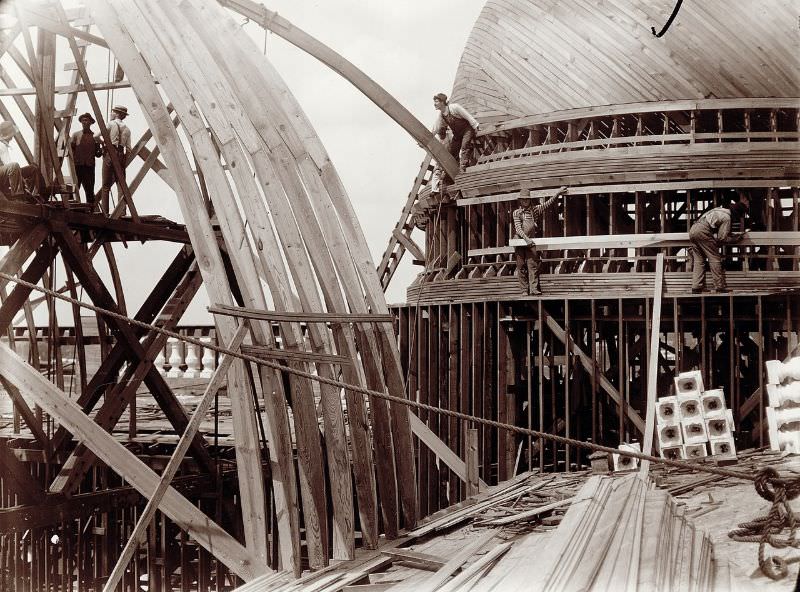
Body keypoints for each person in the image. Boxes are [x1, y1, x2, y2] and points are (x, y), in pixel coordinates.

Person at [513, 185, 568, 295]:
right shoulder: (517, 213)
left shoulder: (535, 210)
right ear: (520, 200)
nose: (525, 201)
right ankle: (524, 290)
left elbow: (548, 203)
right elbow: (518, 228)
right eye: (523, 199)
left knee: (532, 265)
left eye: (527, 199)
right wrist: (526, 239)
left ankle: (534, 289)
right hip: (520, 240)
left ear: (529, 200)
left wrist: (558, 192)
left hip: (531, 241)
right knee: (521, 266)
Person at [688, 195, 749, 293]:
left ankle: (696, 287)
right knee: (715, 258)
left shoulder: (719, 210)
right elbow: (722, 238)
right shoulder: (727, 218)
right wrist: (735, 239)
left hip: (693, 229)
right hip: (703, 231)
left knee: (699, 260)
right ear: (735, 215)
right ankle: (719, 287)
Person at [432, 93, 479, 174]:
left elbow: (467, 115)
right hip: (457, 134)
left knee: (464, 147)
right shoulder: (441, 115)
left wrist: (475, 125)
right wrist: (428, 137)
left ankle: (463, 169)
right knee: (453, 151)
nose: (434, 104)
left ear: (442, 102)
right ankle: (454, 170)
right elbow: (436, 128)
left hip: (466, 131)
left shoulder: (454, 107)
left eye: (436, 101)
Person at [0, 121, 46, 199]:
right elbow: (9, 164)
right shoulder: (1, 145)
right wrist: (21, 180)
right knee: (14, 166)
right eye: (11, 135)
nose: (12, 138)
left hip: (3, 175)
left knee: (33, 168)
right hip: (2, 177)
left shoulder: (3, 144)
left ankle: (38, 195)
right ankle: (18, 196)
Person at [99, 105, 131, 214]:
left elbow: (96, 136)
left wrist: (103, 143)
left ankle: (105, 212)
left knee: (106, 185)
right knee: (121, 184)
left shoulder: (111, 124)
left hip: (110, 153)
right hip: (121, 154)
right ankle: (122, 211)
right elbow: (129, 149)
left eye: (112, 112)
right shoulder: (127, 129)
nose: (111, 114)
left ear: (117, 113)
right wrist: (123, 160)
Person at [70, 112, 102, 205]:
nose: (84, 122)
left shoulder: (94, 136)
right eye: (83, 120)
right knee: (75, 188)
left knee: (89, 189)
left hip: (89, 166)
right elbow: (71, 150)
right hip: (78, 166)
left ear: (90, 122)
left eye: (86, 120)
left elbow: (98, 154)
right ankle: (72, 207)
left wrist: (102, 148)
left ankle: (90, 209)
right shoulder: (75, 135)